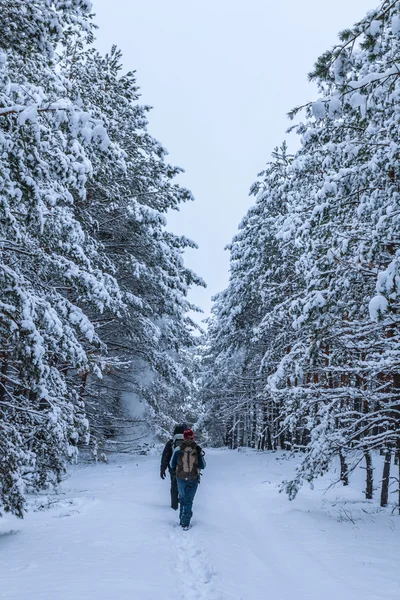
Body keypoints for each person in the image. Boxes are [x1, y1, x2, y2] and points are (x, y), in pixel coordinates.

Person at [170, 428, 206, 530]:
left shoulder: (178, 449)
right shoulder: (197, 449)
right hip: (193, 478)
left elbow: (172, 465)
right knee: (189, 501)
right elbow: (203, 466)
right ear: (193, 437)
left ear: (184, 437)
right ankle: (185, 523)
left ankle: (182, 519)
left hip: (180, 479)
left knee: (182, 499)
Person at [160, 423, 188, 510]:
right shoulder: (188, 442)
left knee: (174, 486)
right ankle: (185, 504)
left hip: (173, 469)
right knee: (185, 486)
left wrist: (162, 469)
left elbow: (165, 456)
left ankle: (174, 505)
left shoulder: (171, 443)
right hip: (185, 469)